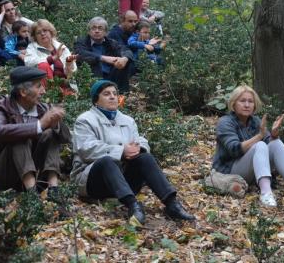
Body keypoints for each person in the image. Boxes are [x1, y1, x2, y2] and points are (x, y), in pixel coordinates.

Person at [71, 80, 195, 225]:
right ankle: (133, 206)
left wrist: (138, 149)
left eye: (115, 94)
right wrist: (122, 151)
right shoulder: (85, 120)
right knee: (107, 161)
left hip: (123, 179)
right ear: (96, 100)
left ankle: (172, 203)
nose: (112, 97)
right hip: (92, 181)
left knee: (145, 157)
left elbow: (140, 140)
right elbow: (87, 149)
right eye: (106, 94)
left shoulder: (127, 120)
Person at [212, 85, 284, 207]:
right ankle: (266, 193)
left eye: (250, 101)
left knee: (276, 143)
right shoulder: (225, 122)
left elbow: (269, 145)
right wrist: (259, 137)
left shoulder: (255, 121)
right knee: (259, 145)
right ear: (233, 104)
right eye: (242, 101)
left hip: (251, 172)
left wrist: (274, 135)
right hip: (229, 171)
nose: (247, 105)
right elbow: (234, 150)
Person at [0, 66, 71, 196]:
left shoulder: (43, 107)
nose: (43, 91)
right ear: (23, 92)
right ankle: (32, 197)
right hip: (3, 173)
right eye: (39, 86)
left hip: (37, 172)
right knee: (19, 137)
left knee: (51, 133)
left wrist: (56, 125)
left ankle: (53, 190)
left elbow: (67, 138)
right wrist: (39, 125)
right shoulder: (1, 105)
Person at [74, 17, 133, 94]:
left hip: (111, 76)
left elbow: (126, 50)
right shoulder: (81, 42)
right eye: (93, 28)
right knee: (93, 61)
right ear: (89, 31)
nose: (97, 31)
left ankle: (122, 94)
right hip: (92, 77)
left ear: (105, 32)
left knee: (123, 63)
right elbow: (80, 53)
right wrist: (102, 58)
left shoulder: (111, 42)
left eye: (100, 28)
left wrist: (125, 58)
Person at [25, 19, 77, 92]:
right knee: (43, 65)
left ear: (51, 32)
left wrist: (68, 64)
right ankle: (51, 95)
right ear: (35, 36)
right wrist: (52, 59)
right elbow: (28, 63)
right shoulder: (32, 48)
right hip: (47, 88)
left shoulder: (61, 47)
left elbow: (73, 73)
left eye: (45, 30)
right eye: (38, 33)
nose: (42, 34)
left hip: (66, 86)